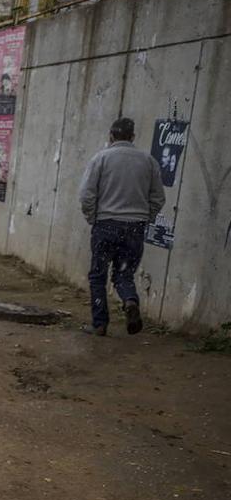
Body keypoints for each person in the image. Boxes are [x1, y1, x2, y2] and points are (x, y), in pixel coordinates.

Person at [78, 117, 165, 336]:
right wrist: (145, 217)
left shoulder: (101, 158)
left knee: (98, 275)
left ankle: (99, 324)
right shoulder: (148, 161)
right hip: (134, 228)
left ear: (111, 136)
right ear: (133, 137)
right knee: (123, 275)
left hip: (106, 225)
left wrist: (93, 218)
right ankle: (130, 301)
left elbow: (86, 195)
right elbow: (158, 198)